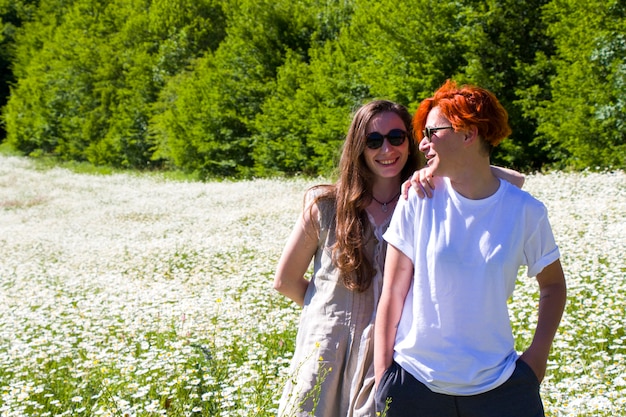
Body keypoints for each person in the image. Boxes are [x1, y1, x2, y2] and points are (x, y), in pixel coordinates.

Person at [273, 99, 524, 417]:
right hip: (325, 351)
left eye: (396, 137)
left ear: (412, 141)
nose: (386, 149)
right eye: (373, 141)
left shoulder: (423, 199)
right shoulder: (325, 204)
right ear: (358, 148)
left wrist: (433, 169)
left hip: (387, 352)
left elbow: (514, 180)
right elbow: (285, 281)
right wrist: (328, 315)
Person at [374, 80, 567, 417]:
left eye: (432, 132)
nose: (422, 144)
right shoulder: (417, 200)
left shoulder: (525, 211)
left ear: (468, 134)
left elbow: (552, 285)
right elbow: (391, 292)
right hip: (414, 385)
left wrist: (536, 359)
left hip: (502, 389)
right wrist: (383, 379)